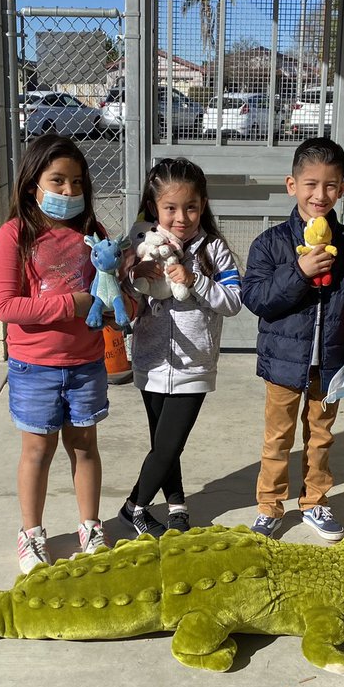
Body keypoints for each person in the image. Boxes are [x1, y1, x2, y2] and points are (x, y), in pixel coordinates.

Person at [0, 134, 123, 573]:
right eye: (58, 181)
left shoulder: (93, 234)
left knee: (85, 447)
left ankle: (91, 527)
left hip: (86, 364)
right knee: (38, 451)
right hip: (34, 367)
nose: (69, 191)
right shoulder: (15, 236)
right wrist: (74, 304)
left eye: (77, 182)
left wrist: (118, 305)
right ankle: (31, 534)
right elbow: (6, 307)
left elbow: (109, 290)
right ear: (34, 184)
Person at [241, 137, 344, 541]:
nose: (321, 194)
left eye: (331, 185)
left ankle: (315, 501)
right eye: (311, 184)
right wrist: (299, 272)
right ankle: (270, 505)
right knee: (278, 438)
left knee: (320, 436)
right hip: (284, 362)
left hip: (332, 365)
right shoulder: (270, 244)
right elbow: (257, 299)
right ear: (292, 185)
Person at [119, 157, 242, 536]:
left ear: (203, 204)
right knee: (163, 444)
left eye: (190, 207)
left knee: (169, 443)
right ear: (154, 206)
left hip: (194, 365)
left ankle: (134, 506)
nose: (181, 217)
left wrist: (196, 280)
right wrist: (131, 275)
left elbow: (234, 301)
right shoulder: (139, 241)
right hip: (151, 360)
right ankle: (176, 503)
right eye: (170, 208)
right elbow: (119, 297)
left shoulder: (214, 249)